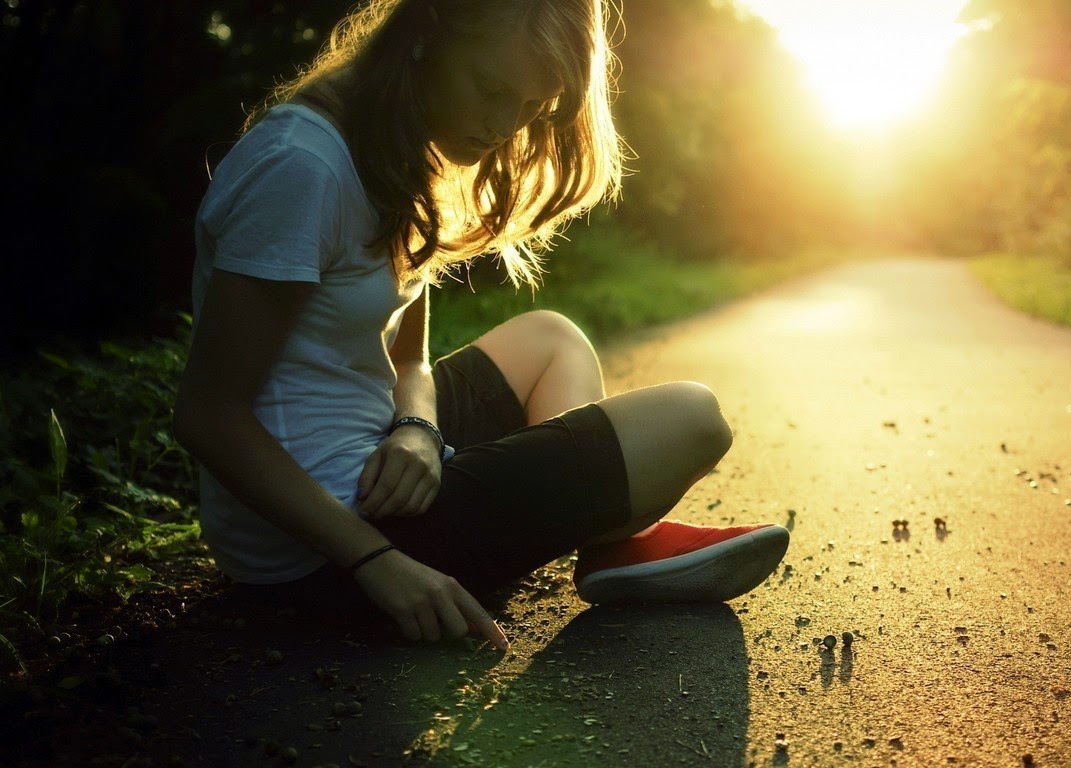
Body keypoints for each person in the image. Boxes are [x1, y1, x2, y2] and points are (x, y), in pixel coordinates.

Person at [173, 0, 789, 651]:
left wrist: (416, 429)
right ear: (424, 36)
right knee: (692, 418)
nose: (505, 126)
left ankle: (603, 542)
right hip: (320, 552)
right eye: (492, 90)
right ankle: (611, 538)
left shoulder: (390, 149)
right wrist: (376, 564)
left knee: (549, 337)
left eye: (532, 108)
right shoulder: (302, 167)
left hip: (385, 466)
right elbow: (209, 415)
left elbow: (407, 360)